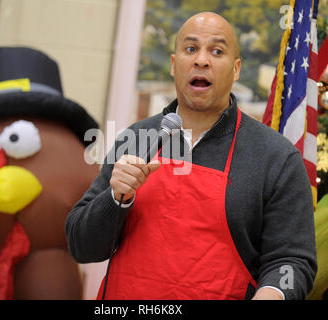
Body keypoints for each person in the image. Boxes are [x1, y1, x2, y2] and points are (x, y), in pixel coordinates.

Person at [65, 12, 317, 300]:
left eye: (217, 51)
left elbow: (292, 263)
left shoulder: (276, 157)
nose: (201, 60)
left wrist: (273, 292)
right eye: (190, 49)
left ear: (236, 70)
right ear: (174, 65)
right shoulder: (135, 139)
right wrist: (114, 199)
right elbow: (80, 245)